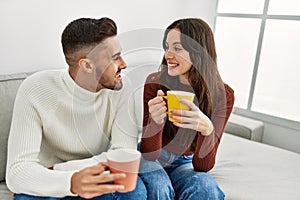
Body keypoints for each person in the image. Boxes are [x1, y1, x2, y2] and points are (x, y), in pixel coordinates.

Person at [6, 17, 147, 200]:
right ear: (87, 65)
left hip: (89, 177)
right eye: (115, 58)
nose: (124, 64)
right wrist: (70, 182)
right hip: (50, 183)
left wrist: (60, 170)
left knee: (134, 191)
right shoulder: (35, 89)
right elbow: (17, 172)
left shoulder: (121, 87)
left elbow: (124, 154)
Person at [139, 18, 234, 200]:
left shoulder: (223, 95)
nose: (168, 54)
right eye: (167, 47)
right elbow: (149, 153)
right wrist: (155, 122)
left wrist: (207, 130)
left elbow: (203, 167)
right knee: (159, 189)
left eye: (177, 48)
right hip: (154, 158)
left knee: (207, 189)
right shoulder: (154, 83)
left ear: (199, 51)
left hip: (187, 163)